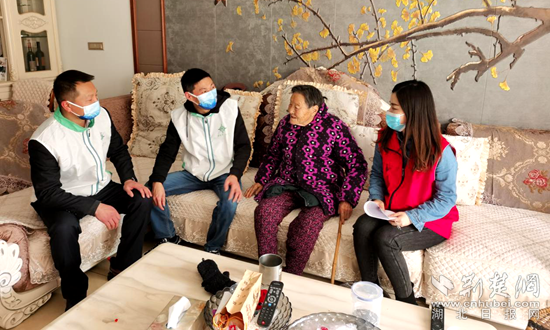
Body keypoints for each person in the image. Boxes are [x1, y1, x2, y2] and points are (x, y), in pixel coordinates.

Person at [29, 70, 153, 311]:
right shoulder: (45, 139)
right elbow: (48, 193)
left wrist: (129, 179)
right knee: (64, 228)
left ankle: (123, 266)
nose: (96, 101)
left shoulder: (102, 116)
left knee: (141, 199)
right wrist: (95, 208)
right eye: (89, 98)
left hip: (100, 186)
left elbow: (118, 150)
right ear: (67, 105)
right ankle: (75, 296)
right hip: (61, 197)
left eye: (96, 95)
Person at [353, 80, 459, 305]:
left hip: (432, 220)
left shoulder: (441, 151)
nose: (388, 112)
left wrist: (412, 216)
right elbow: (377, 175)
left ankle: (407, 301)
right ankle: (371, 290)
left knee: (386, 238)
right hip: (393, 211)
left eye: (393, 107)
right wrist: (377, 197)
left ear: (413, 112)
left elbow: (447, 198)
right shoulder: (386, 138)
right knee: (362, 226)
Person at [246, 85, 368, 275]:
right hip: (286, 183)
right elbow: (273, 155)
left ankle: (293, 275)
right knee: (264, 212)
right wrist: (261, 179)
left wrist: (347, 198)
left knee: (306, 225)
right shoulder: (285, 124)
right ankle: (269, 272)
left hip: (322, 189)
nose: (290, 110)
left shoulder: (334, 127)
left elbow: (357, 164)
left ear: (314, 109)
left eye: (297, 107)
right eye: (290, 105)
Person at [148, 68, 251, 254]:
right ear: (190, 96)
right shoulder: (179, 117)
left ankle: (213, 248)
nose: (211, 92)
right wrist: (157, 181)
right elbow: (167, 152)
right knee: (149, 190)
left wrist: (235, 175)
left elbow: (244, 146)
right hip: (192, 174)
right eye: (204, 91)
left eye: (212, 87)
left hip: (224, 174)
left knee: (230, 203)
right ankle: (168, 238)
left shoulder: (230, 108)